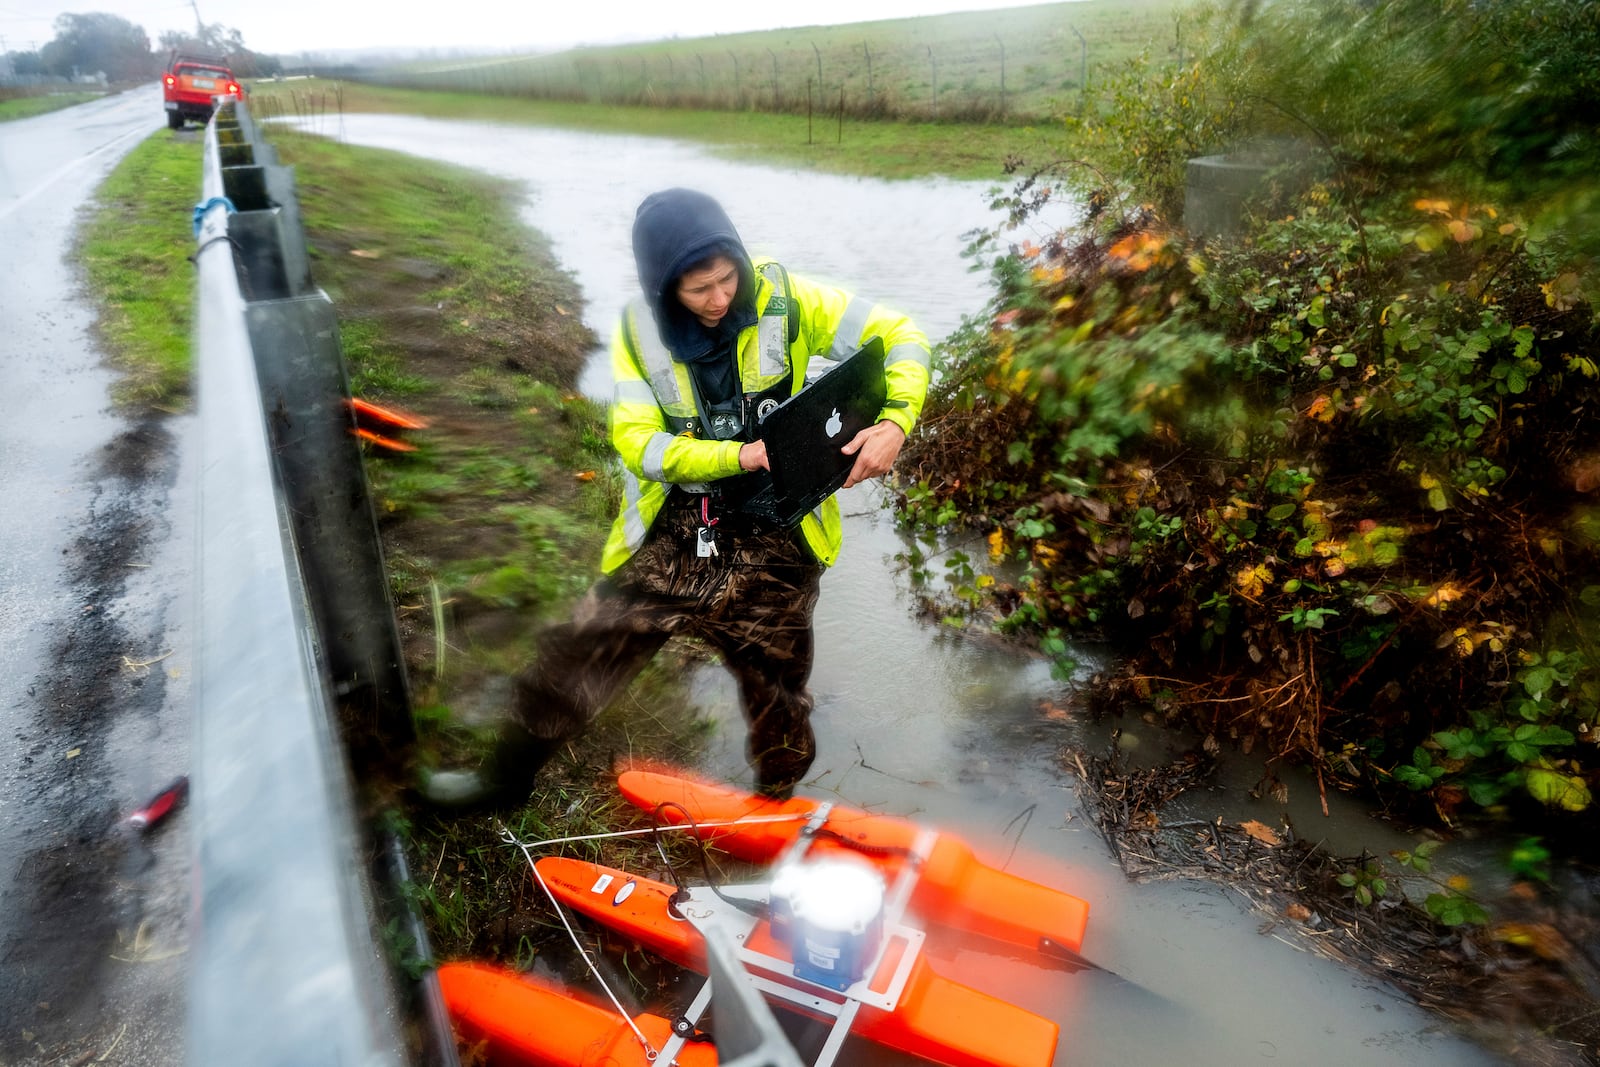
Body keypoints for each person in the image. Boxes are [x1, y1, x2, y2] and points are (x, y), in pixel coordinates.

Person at [424, 187, 929, 807]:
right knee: (581, 651)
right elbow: (638, 444)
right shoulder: (638, 332)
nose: (720, 299)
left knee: (777, 684)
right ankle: (499, 782)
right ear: (666, 288)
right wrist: (735, 456)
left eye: (727, 279)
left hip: (778, 529)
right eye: (699, 289)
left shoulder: (786, 297)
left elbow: (902, 335)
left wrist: (897, 422)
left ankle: (774, 805)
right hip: (676, 523)